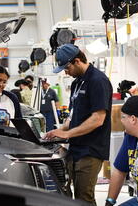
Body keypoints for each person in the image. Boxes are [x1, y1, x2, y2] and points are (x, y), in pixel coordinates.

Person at [45, 44, 112, 205]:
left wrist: (67, 134)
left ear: (77, 61)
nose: (65, 72)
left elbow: (98, 118)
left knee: (84, 198)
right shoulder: (77, 83)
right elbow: (73, 115)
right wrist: (59, 131)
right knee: (70, 196)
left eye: (66, 68)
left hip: (91, 150)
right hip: (75, 148)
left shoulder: (98, 81)